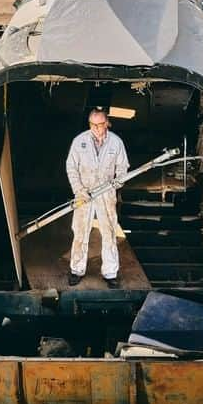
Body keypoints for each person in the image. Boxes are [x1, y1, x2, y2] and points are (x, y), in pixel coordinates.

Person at [65, 107, 129, 287]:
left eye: (101, 124)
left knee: (109, 232)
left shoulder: (116, 143)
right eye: (94, 125)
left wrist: (117, 183)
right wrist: (78, 189)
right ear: (90, 124)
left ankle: (110, 273)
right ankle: (76, 270)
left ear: (107, 123)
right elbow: (71, 167)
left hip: (106, 195)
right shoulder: (80, 142)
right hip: (84, 194)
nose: (98, 129)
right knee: (80, 232)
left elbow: (123, 168)